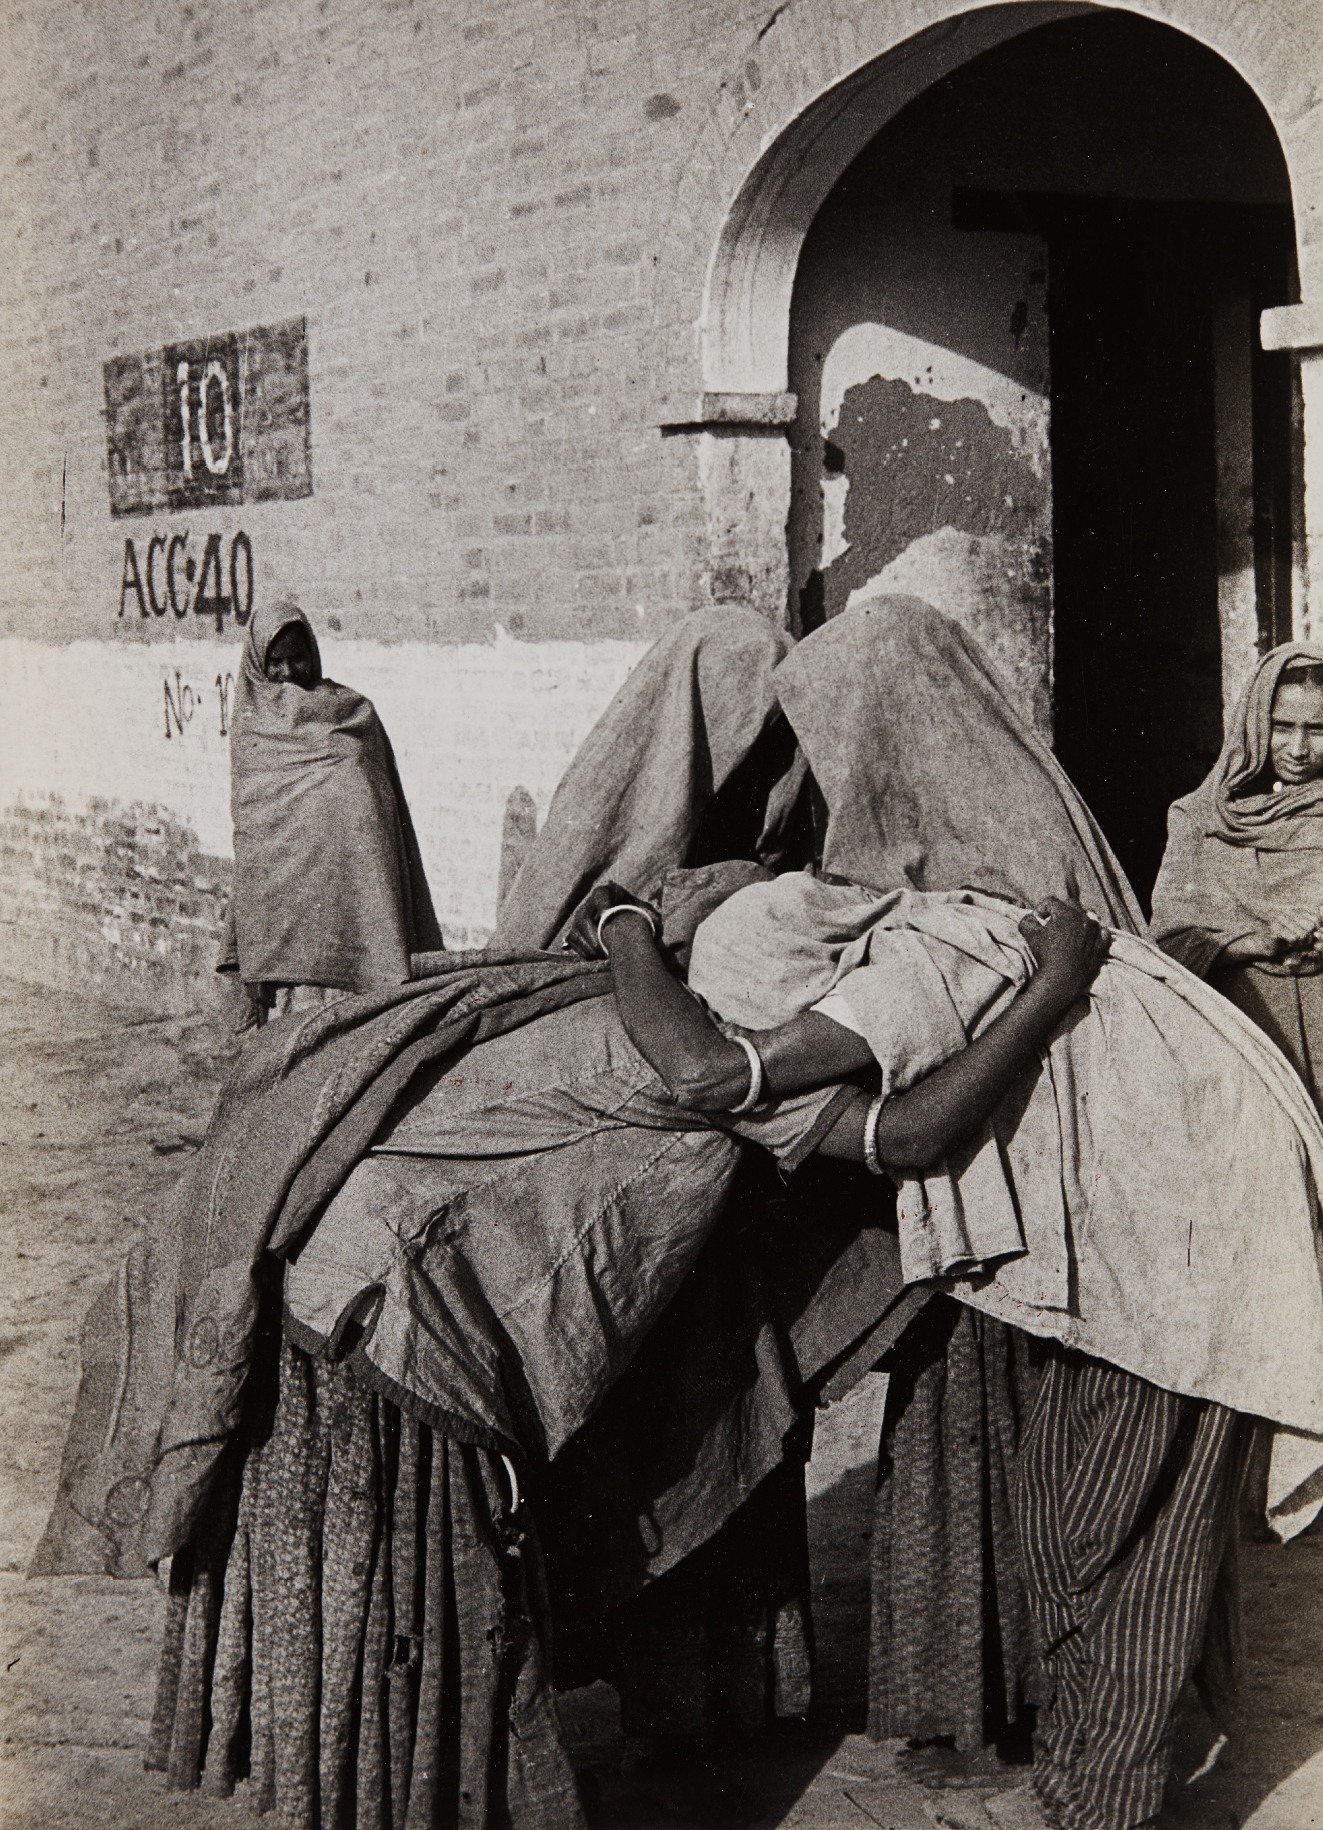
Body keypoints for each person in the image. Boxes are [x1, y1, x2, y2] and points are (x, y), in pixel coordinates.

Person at [35, 602, 1323, 1830]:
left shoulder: (889, 942)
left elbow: (799, 1090)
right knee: (1088, 1520)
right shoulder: (856, 947)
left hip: (1148, 1218)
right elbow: (773, 1090)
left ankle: (1090, 1789)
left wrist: (644, 929)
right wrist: (668, 944)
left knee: (1115, 1522)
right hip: (442, 1296)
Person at [217, 598, 443, 1028]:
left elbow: (382, 816)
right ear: (258, 663)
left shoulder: (354, 714)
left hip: (358, 930)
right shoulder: (253, 726)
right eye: (275, 661)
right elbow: (254, 849)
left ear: (314, 654)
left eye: (298, 658)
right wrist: (250, 948)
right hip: (289, 953)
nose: (288, 672)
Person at [1151, 643, 1323, 1108]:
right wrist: (1254, 942)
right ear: (1254, 723)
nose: (1299, 748)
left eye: (1318, 729)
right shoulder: (1200, 818)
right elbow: (1164, 951)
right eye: (1282, 727)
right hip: (1239, 1039)